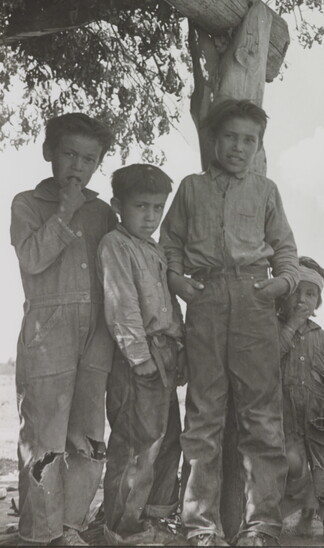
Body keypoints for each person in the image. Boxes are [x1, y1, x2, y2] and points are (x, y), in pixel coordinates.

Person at [160, 98, 299, 547]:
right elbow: (170, 243)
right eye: (230, 138)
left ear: (259, 146)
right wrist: (178, 280)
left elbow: (286, 249)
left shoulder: (266, 191)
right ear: (213, 141)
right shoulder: (191, 188)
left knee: (261, 417)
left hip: (254, 300)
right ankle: (201, 526)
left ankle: (262, 526)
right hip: (205, 299)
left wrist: (282, 283)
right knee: (204, 414)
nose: (239, 147)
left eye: (249, 140)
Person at [11, 113, 116, 546]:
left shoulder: (104, 213)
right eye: (70, 154)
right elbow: (32, 259)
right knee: (44, 438)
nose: (78, 166)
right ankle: (41, 534)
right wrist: (64, 213)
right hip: (47, 331)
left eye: (89, 159)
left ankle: (70, 528)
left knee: (89, 438)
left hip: (97, 333)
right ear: (48, 153)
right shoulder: (26, 204)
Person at [97, 164, 186, 545]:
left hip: (165, 353)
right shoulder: (115, 245)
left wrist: (180, 347)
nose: (150, 216)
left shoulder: (154, 248)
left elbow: (170, 303)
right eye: (141, 207)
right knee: (136, 445)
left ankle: (156, 516)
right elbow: (123, 306)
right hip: (138, 357)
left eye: (157, 207)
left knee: (167, 438)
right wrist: (139, 358)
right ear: (118, 206)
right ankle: (123, 525)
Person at [279, 256, 324, 543]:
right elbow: (270, 357)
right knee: (290, 466)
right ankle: (282, 516)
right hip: (285, 418)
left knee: (323, 471)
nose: (302, 299)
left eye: (310, 294)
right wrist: (292, 324)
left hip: (317, 419)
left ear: (318, 301)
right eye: (296, 292)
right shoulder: (275, 330)